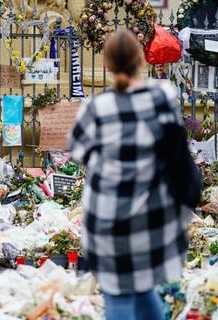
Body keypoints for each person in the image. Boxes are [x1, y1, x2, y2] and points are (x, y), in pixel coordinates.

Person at [68, 30, 191, 320]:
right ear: (140, 59)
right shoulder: (163, 97)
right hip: (153, 216)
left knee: (119, 293)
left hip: (108, 218)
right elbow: (175, 146)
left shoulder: (96, 107)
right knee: (142, 285)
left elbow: (78, 150)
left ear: (108, 66)